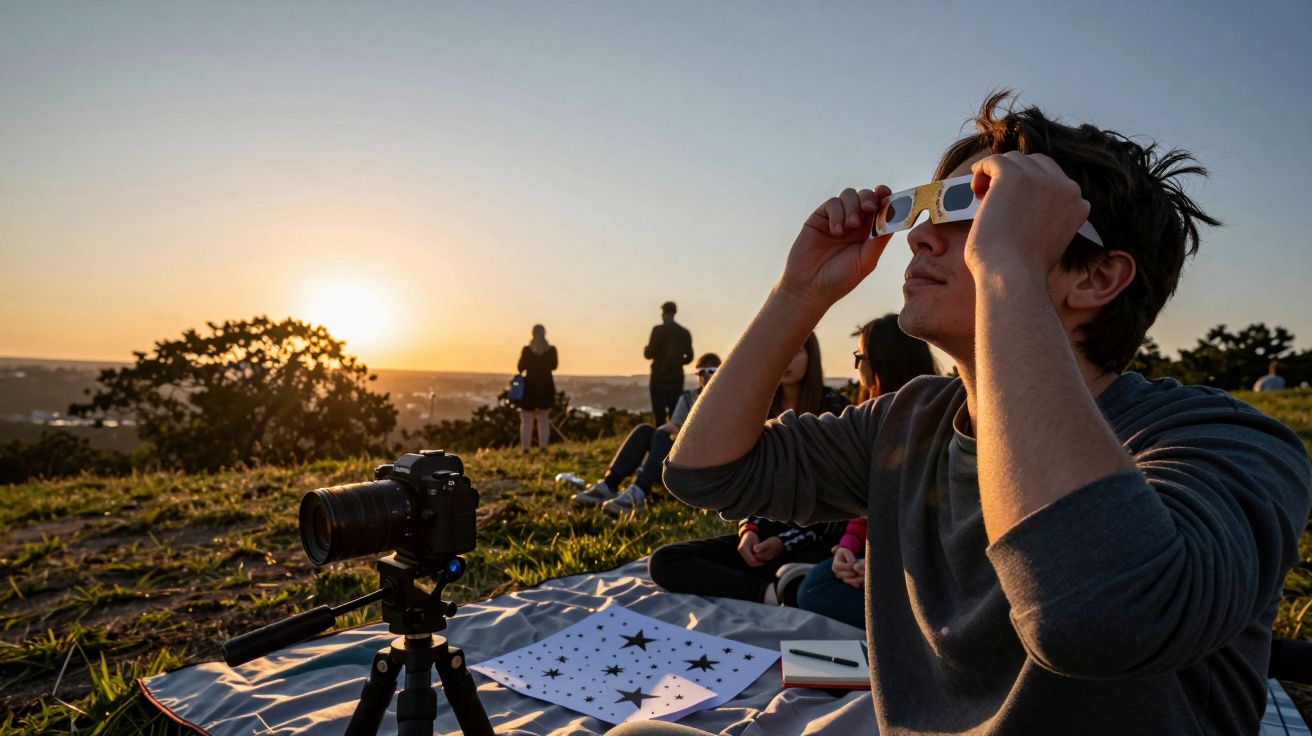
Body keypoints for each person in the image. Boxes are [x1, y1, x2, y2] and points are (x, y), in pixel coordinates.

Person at [616, 92, 1312, 735]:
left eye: (975, 208)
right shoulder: (909, 420)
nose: (921, 236)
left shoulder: (1226, 443)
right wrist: (799, 292)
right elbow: (706, 471)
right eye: (926, 208)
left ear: (1095, 276)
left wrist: (1007, 269)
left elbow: (1095, 621)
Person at [647, 333, 849, 606]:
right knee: (665, 561)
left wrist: (785, 542)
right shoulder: (758, 406)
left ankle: (790, 584)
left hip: (817, 537)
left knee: (825, 563)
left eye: (797, 351)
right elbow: (752, 481)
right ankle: (772, 593)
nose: (787, 359)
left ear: (812, 357)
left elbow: (838, 503)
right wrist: (748, 530)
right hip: (767, 534)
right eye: (783, 350)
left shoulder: (834, 409)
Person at [793, 313, 938, 629]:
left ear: (883, 363)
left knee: (814, 589)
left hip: (926, 573)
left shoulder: (927, 426)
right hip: (882, 561)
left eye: (860, 357)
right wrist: (849, 547)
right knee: (817, 582)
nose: (856, 366)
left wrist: (879, 566)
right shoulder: (877, 422)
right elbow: (871, 506)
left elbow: (929, 526)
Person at [567, 353, 722, 515]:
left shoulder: (725, 400)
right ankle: (609, 484)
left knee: (661, 436)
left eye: (710, 371)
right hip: (680, 451)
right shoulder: (688, 398)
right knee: (645, 430)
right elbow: (675, 425)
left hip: (700, 459)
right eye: (700, 372)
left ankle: (638, 492)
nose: (704, 377)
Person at [644, 301, 694, 425]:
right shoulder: (684, 332)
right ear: (675, 312)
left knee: (659, 416)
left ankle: (660, 440)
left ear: (664, 313)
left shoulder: (657, 330)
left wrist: (646, 350)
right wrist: (677, 363)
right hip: (676, 378)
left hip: (658, 378)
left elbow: (649, 354)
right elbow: (690, 357)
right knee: (675, 414)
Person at [516, 324, 557, 452]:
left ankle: (526, 448)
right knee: (544, 419)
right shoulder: (551, 350)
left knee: (527, 420)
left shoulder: (527, 350)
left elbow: (520, 367)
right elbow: (554, 366)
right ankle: (543, 447)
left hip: (529, 388)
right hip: (546, 387)